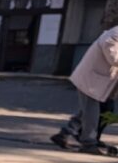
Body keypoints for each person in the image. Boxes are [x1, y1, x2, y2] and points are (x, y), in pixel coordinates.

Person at [50, 25, 118, 156]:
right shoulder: (114, 35)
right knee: (91, 113)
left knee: (91, 111)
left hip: (100, 82)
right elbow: (113, 58)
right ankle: (88, 143)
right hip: (91, 80)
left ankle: (65, 134)